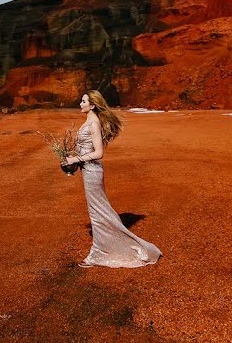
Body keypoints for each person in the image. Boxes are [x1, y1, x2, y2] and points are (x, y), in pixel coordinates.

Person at [64, 90, 163, 268]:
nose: (81, 103)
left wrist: (75, 159)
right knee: (100, 209)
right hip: (88, 170)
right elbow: (85, 148)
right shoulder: (89, 121)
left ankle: (98, 253)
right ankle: (110, 244)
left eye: (84, 101)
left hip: (92, 171)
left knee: (97, 212)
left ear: (92, 105)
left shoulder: (93, 123)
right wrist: (72, 159)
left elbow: (98, 153)